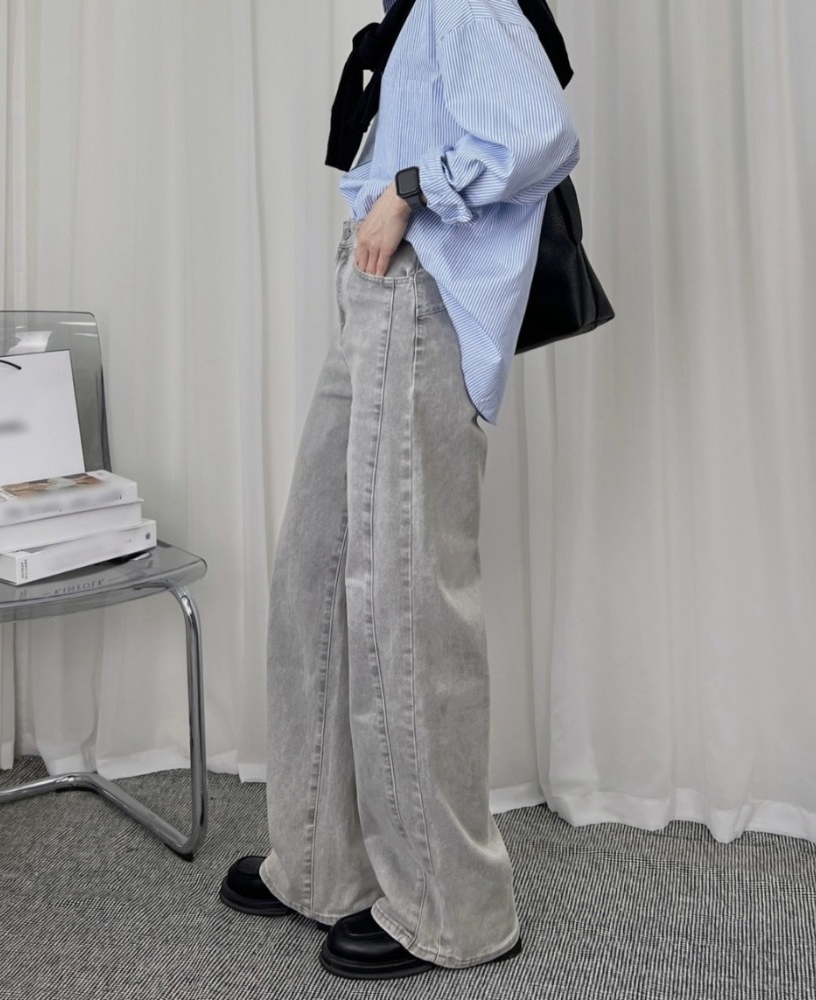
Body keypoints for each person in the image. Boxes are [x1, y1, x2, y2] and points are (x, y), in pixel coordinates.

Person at [218, 0, 579, 980]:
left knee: (408, 603)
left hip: (425, 299)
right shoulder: (411, 10)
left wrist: (411, 192)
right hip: (380, 296)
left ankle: (455, 909)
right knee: (316, 571)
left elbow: (541, 135)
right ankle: (319, 861)